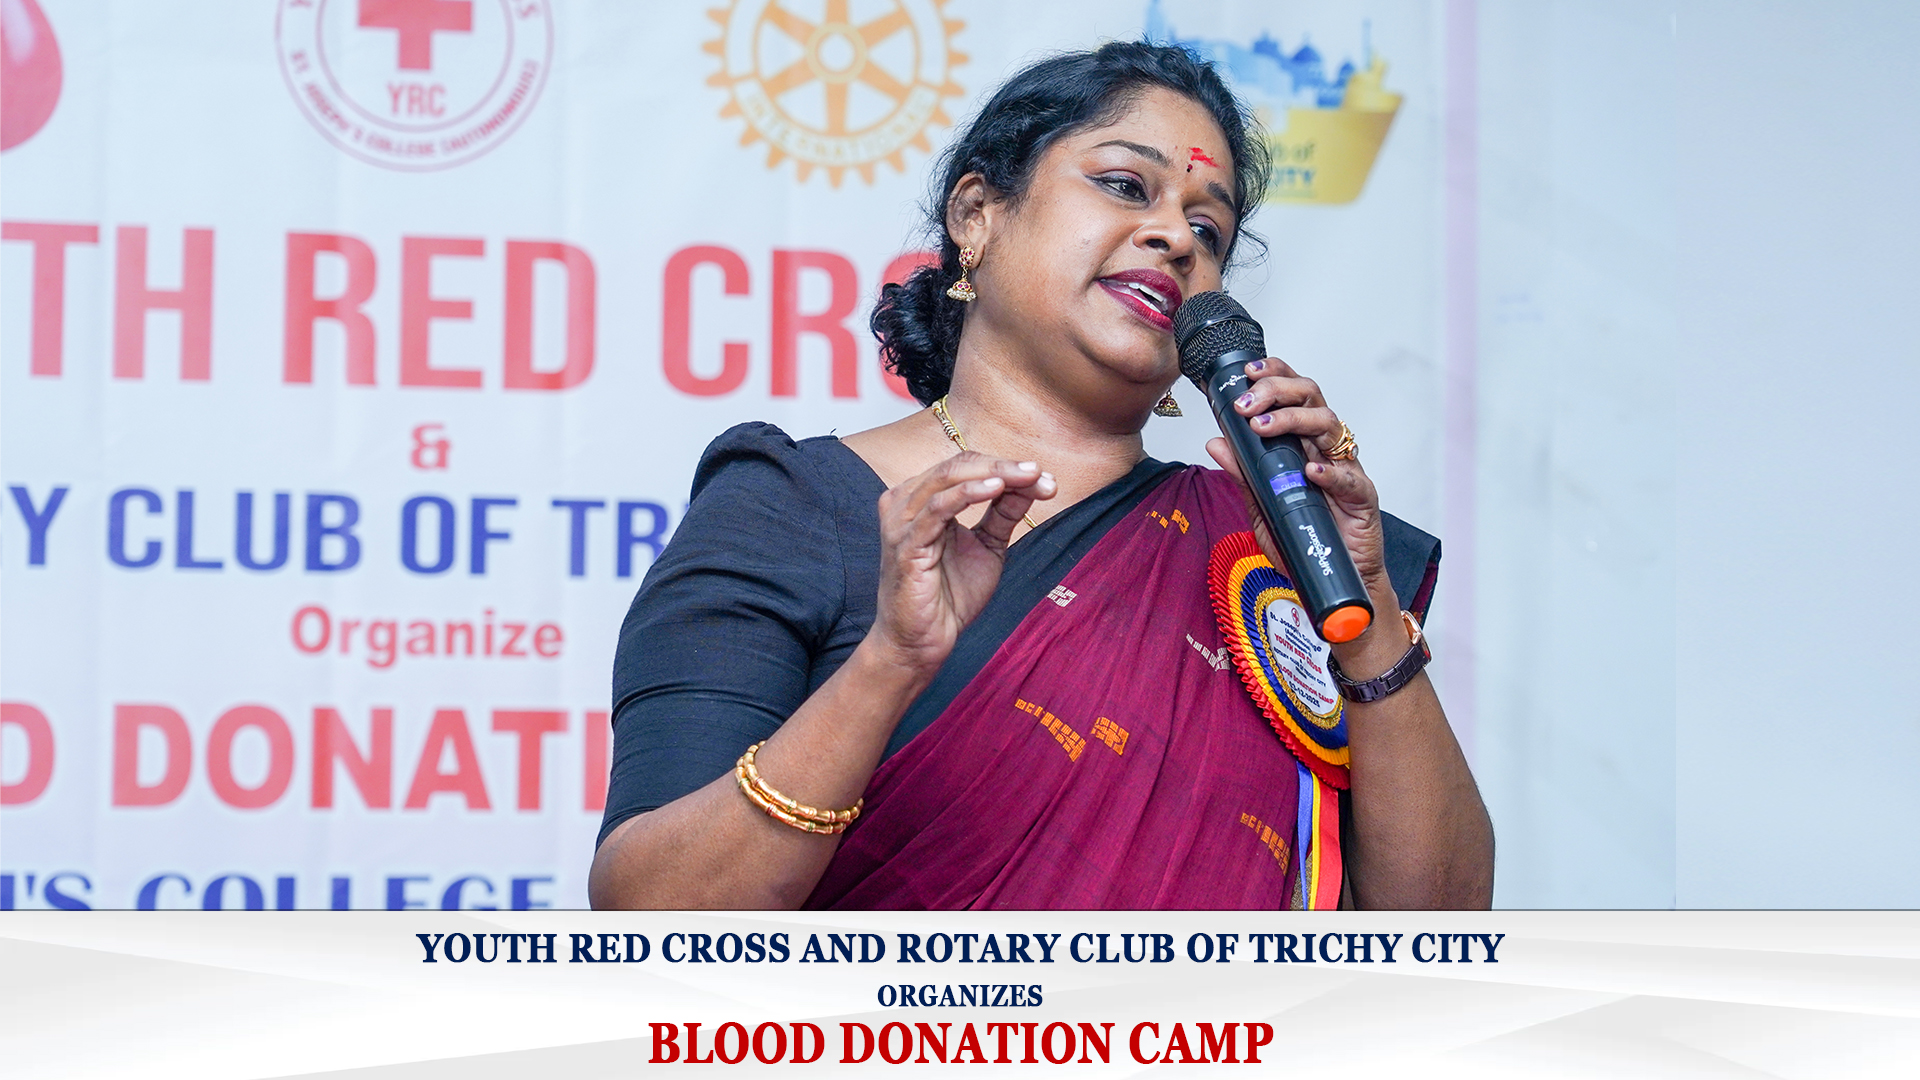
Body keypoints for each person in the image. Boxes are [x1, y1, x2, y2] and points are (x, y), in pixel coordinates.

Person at [590, 42, 1493, 910]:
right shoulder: (790, 506)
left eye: (1207, 228)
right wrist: (890, 665)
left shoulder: (1268, 548)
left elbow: (1438, 932)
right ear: (977, 215)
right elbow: (655, 908)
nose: (1175, 237)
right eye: (1125, 185)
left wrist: (1368, 614)